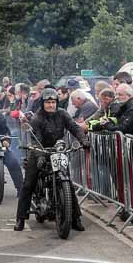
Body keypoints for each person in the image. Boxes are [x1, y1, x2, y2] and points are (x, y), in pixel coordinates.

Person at [14, 88, 90, 232]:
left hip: (57, 150)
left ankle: (75, 218)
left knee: (67, 182)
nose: (51, 105)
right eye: (48, 102)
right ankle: (21, 218)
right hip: (40, 151)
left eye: (53, 102)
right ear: (43, 103)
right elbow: (36, 140)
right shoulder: (37, 118)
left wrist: (83, 140)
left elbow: (74, 128)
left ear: (57, 103)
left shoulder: (63, 114)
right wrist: (40, 156)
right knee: (28, 184)